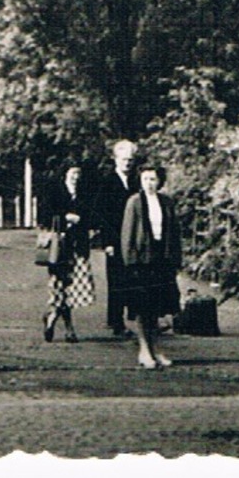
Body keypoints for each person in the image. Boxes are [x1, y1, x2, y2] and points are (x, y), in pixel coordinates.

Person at [120, 160, 182, 370]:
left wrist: (175, 260)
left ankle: (156, 349)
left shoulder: (166, 202)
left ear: (159, 181)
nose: (149, 183)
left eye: (153, 179)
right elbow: (127, 234)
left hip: (161, 260)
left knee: (156, 309)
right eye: (145, 179)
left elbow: (174, 233)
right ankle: (144, 350)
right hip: (140, 261)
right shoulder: (134, 202)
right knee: (141, 307)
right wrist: (129, 262)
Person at [37, 157, 96, 342]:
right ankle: (69, 328)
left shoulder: (84, 193)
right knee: (59, 286)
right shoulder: (54, 191)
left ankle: (52, 316)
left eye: (78, 173)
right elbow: (44, 215)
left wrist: (85, 224)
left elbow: (92, 216)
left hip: (78, 246)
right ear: (65, 174)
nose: (76, 177)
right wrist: (65, 217)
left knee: (72, 287)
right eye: (72, 173)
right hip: (59, 246)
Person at [93, 139, 139, 338]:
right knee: (117, 280)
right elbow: (103, 215)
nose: (127, 163)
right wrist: (108, 243)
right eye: (123, 159)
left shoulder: (137, 181)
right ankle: (116, 321)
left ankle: (138, 318)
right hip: (116, 237)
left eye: (130, 160)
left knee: (135, 278)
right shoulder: (107, 182)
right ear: (115, 160)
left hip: (135, 239)